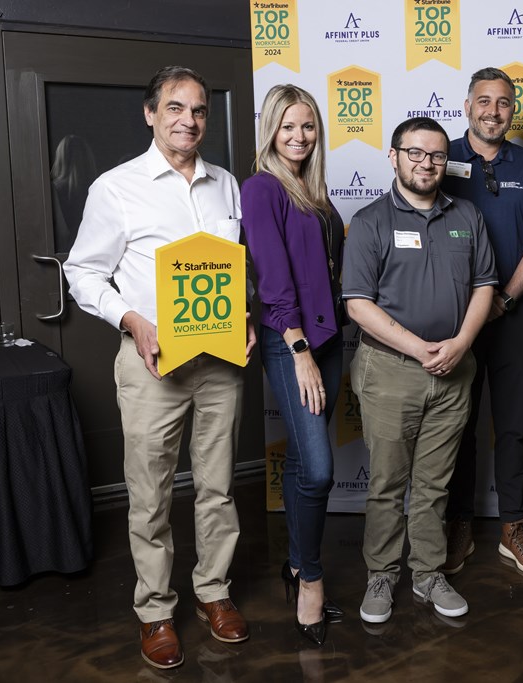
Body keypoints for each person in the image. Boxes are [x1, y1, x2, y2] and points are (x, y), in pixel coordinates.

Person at [64, 65, 254, 669]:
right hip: (152, 362)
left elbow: (230, 267)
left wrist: (245, 313)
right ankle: (155, 610)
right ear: (151, 114)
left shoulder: (227, 184)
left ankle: (213, 592)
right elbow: (83, 272)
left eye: (198, 110)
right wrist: (131, 321)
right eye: (175, 108)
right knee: (149, 495)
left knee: (218, 487)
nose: (188, 120)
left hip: (220, 361)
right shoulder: (115, 187)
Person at [342, 116, 497, 624]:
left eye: (435, 155)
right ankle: (382, 576)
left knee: (435, 484)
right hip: (389, 372)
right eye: (414, 153)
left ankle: (428, 574)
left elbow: (483, 287)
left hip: (455, 370)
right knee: (387, 483)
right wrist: (420, 349)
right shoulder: (369, 221)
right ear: (394, 156)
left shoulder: (467, 215)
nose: (426, 163)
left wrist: (461, 343)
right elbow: (358, 304)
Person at [240, 85, 346, 646]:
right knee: (322, 470)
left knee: (309, 466)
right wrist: (299, 347)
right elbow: (272, 276)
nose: (299, 137)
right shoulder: (262, 188)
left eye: (307, 127)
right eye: (287, 127)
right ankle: (310, 578)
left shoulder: (316, 192)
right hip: (293, 343)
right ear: (271, 132)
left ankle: (296, 561)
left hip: (329, 340)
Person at [441, 67, 523, 576]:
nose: (493, 110)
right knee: (455, 425)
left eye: (504, 102)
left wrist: (504, 302)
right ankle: (458, 521)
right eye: (483, 101)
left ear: (514, 110)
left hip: (511, 316)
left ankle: (513, 524)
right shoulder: (437, 156)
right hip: (449, 319)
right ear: (467, 106)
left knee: (512, 423)